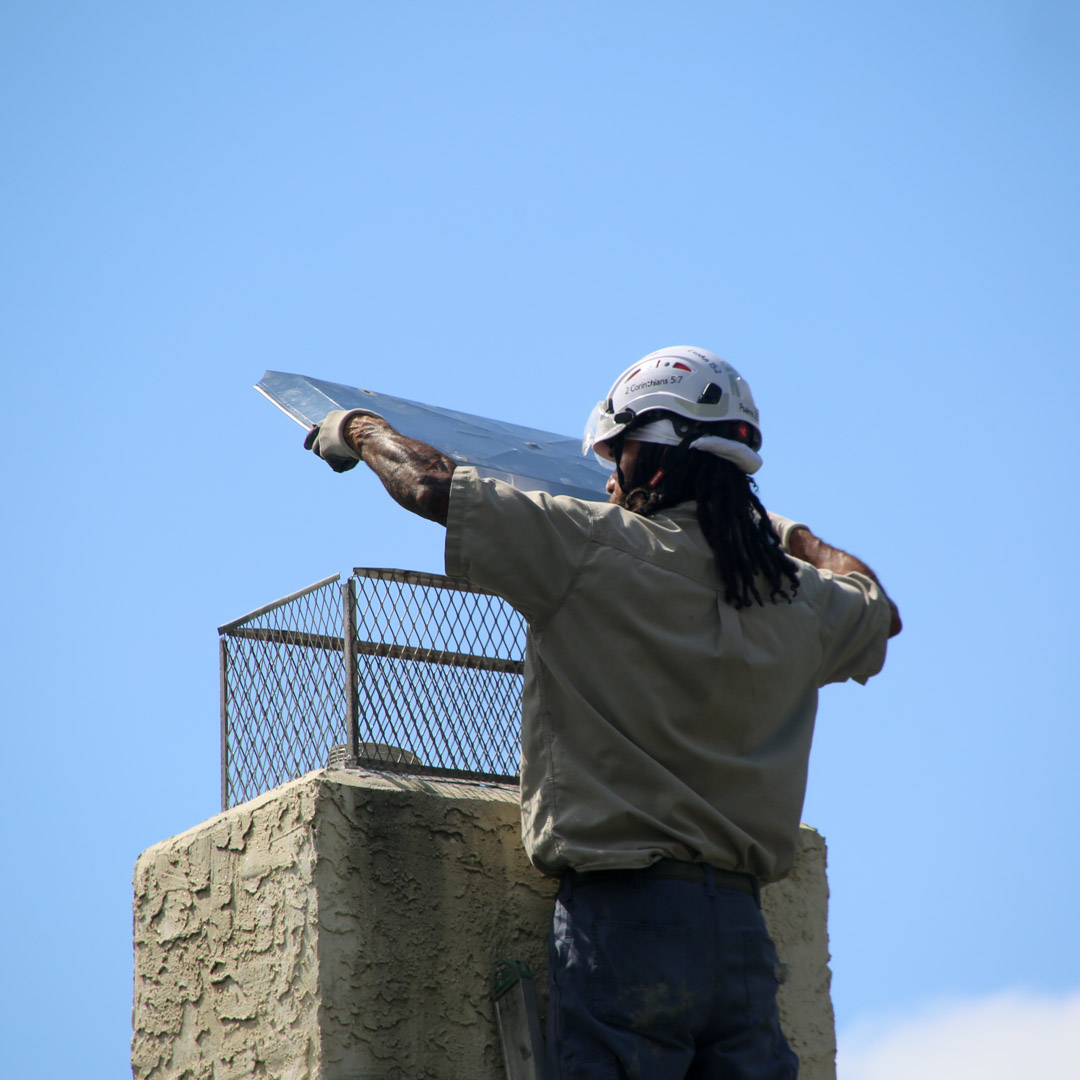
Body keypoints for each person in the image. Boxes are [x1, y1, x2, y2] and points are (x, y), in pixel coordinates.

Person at [304, 345, 901, 1080]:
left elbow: (430, 484)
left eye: (620, 454)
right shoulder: (795, 598)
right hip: (743, 937)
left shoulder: (594, 545)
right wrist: (781, 531)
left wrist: (357, 428)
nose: (610, 477)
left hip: (626, 922)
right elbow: (876, 603)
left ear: (653, 455)